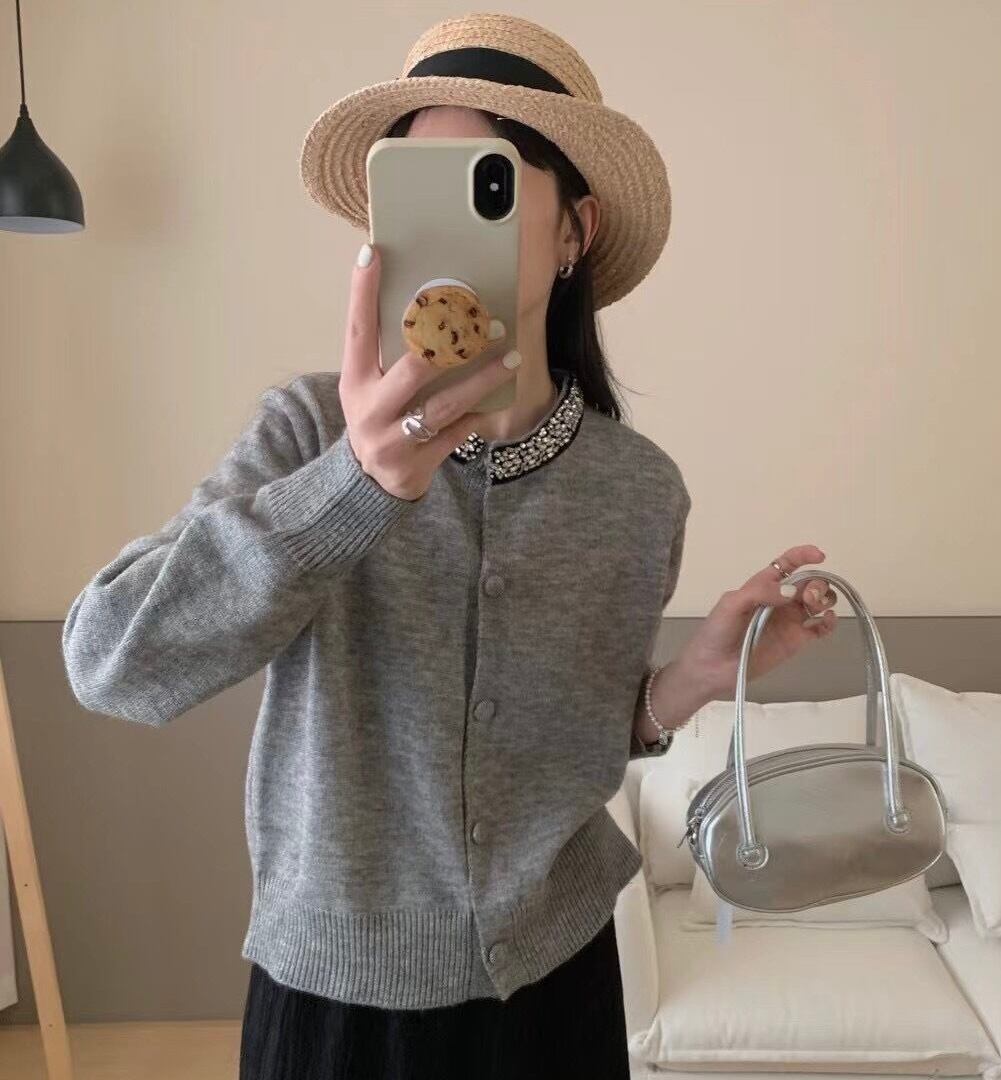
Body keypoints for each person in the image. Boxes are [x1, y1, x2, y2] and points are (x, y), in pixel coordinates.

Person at [62, 12, 838, 1080]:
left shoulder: (638, 491)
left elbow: (560, 746)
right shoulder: (306, 433)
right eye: (413, 188)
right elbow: (111, 662)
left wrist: (687, 683)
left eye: (488, 182)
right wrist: (353, 485)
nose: (443, 221)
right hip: (334, 1004)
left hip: (555, 992)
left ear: (574, 231)